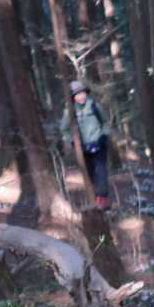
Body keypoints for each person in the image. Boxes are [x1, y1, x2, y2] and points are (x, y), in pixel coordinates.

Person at [62, 80, 112, 210]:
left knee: (101, 171)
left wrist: (104, 135)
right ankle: (95, 197)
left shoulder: (94, 105)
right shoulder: (70, 111)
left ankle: (103, 197)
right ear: (73, 97)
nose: (81, 96)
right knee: (90, 173)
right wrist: (73, 141)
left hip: (99, 143)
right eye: (77, 94)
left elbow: (105, 122)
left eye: (82, 93)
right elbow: (64, 129)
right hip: (83, 148)